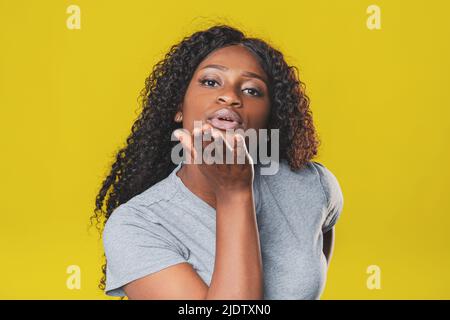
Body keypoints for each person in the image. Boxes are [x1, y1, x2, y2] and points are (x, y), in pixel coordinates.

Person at [91, 24, 344, 300]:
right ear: (179, 107)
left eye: (251, 90)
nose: (231, 97)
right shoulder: (137, 225)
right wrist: (234, 193)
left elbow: (322, 229)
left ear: (270, 118)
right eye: (211, 82)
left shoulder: (311, 184)